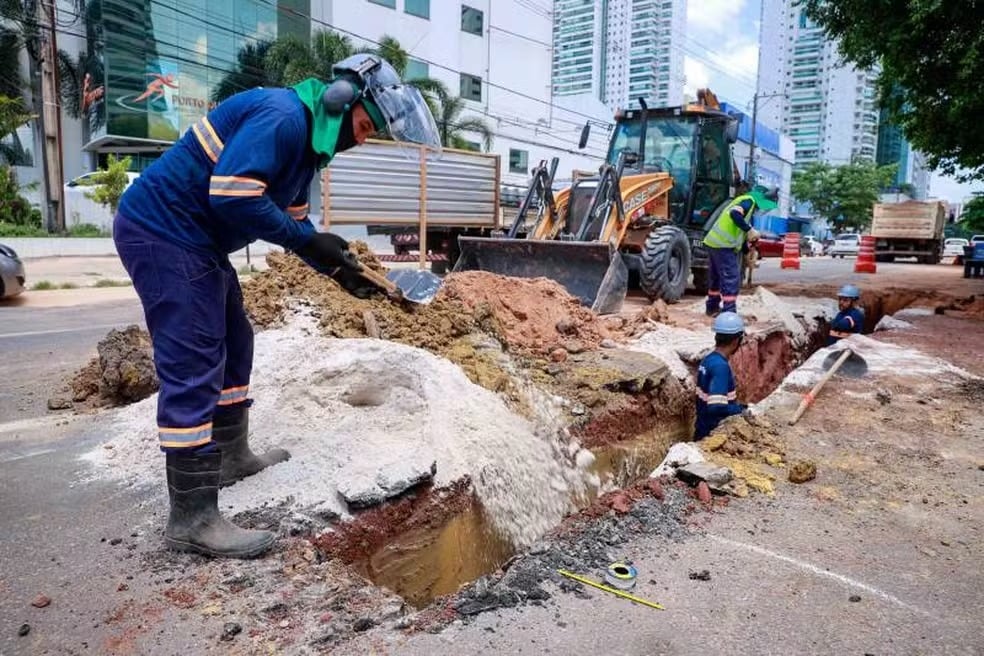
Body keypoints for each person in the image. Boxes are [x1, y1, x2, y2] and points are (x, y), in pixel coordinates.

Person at [113, 54, 441, 559]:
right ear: (341, 100)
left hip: (196, 241)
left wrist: (338, 268)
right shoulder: (283, 117)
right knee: (195, 357)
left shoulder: (307, 149)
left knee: (236, 340)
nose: (364, 137)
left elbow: (295, 226)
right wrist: (308, 245)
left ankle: (230, 456)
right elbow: (233, 196)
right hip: (163, 232)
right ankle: (192, 518)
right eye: (364, 125)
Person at [702, 185, 779, 315]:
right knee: (731, 278)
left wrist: (745, 248)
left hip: (714, 243)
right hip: (723, 246)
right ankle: (729, 311)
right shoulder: (748, 201)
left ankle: (712, 307)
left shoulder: (745, 205)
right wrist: (749, 230)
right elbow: (734, 215)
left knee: (716, 278)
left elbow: (739, 232)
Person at [695, 312, 747, 439]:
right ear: (736, 341)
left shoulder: (708, 359)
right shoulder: (720, 367)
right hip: (712, 435)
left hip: (702, 428)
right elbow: (715, 407)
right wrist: (740, 410)